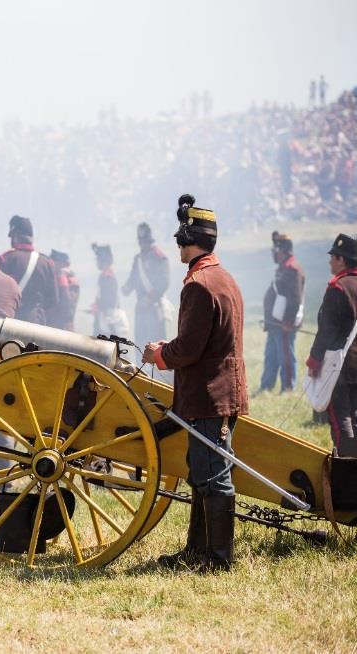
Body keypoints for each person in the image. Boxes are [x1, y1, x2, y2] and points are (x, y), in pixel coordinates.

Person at [143, 195, 248, 573]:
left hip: (209, 395)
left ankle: (218, 561)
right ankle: (196, 553)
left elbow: (187, 349)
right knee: (200, 473)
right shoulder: (221, 277)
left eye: (180, 238)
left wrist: (158, 353)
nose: (177, 245)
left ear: (189, 239)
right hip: (213, 393)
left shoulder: (200, 285)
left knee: (214, 478)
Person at [307, 234, 357, 457]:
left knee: (340, 420)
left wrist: (314, 361)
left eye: (333, 257)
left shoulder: (338, 287)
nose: (330, 262)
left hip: (341, 367)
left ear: (342, 260)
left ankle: (347, 469)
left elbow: (326, 330)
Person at [260, 231, 305, 393]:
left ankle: (288, 388)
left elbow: (295, 299)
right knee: (271, 356)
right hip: (274, 322)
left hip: (284, 323)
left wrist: (288, 321)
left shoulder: (292, 269)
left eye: (276, 249)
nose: (273, 252)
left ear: (283, 251)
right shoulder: (283, 267)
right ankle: (266, 387)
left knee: (286, 357)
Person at [123, 222, 170, 361]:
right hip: (141, 308)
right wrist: (126, 288)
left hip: (154, 308)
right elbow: (133, 278)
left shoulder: (159, 257)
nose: (141, 244)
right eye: (140, 241)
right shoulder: (138, 258)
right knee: (141, 342)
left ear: (149, 240)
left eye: (144, 241)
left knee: (155, 342)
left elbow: (163, 283)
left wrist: (149, 300)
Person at [0, 215, 58, 325]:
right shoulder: (46, 262)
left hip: (11, 321)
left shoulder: (6, 259)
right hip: (37, 322)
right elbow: (52, 300)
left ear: (15, 236)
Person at [89, 243, 129, 339]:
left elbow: (109, 301)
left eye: (98, 259)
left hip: (108, 319)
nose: (97, 262)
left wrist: (98, 307)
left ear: (103, 261)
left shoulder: (107, 277)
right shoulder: (105, 276)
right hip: (104, 316)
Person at [48, 249, 80, 331]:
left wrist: (62, 279)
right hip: (54, 326)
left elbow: (67, 305)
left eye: (53, 262)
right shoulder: (55, 278)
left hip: (63, 328)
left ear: (62, 264)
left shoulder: (70, 281)